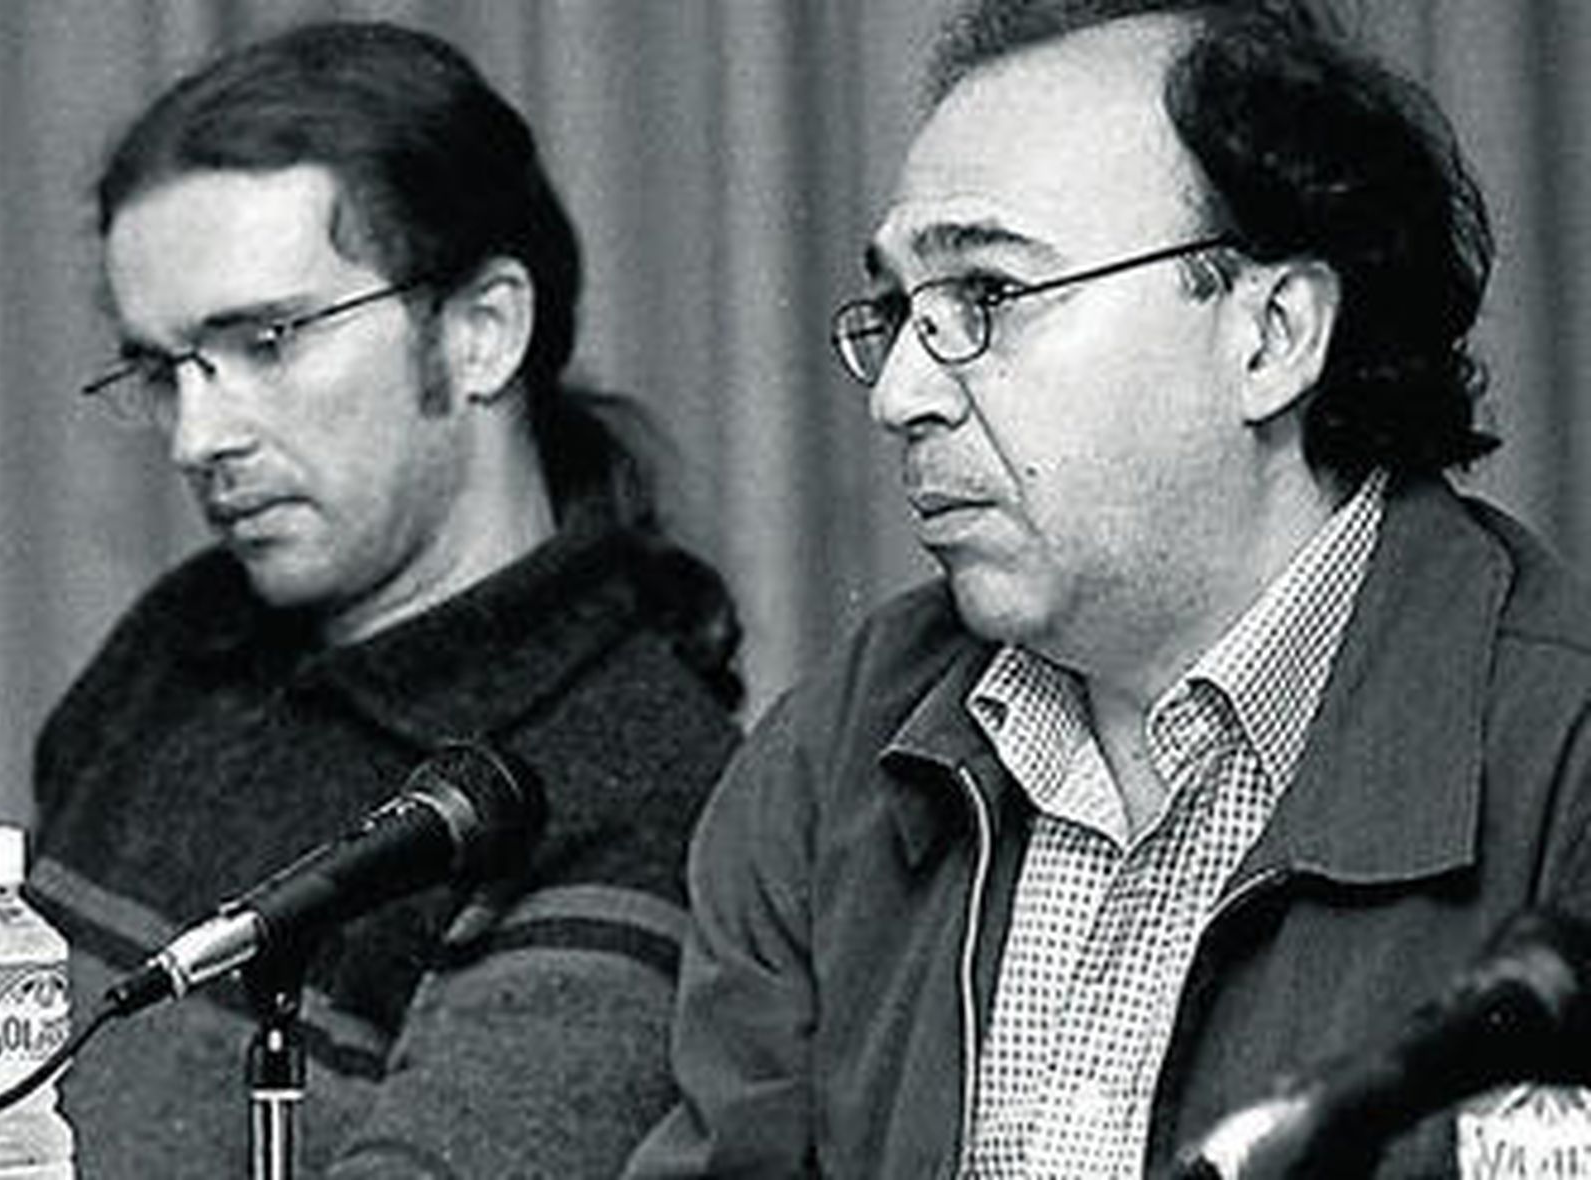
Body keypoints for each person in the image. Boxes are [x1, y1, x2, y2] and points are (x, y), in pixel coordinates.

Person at [623, 1, 1591, 1177]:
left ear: (1272, 334)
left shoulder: (1561, 762)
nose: (900, 395)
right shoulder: (829, 764)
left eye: (984, 296)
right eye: (898, 314)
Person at [28, 20, 742, 1179]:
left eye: (264, 340)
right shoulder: (176, 637)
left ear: (479, 332)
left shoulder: (638, 789)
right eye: (162, 371)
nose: (199, 437)